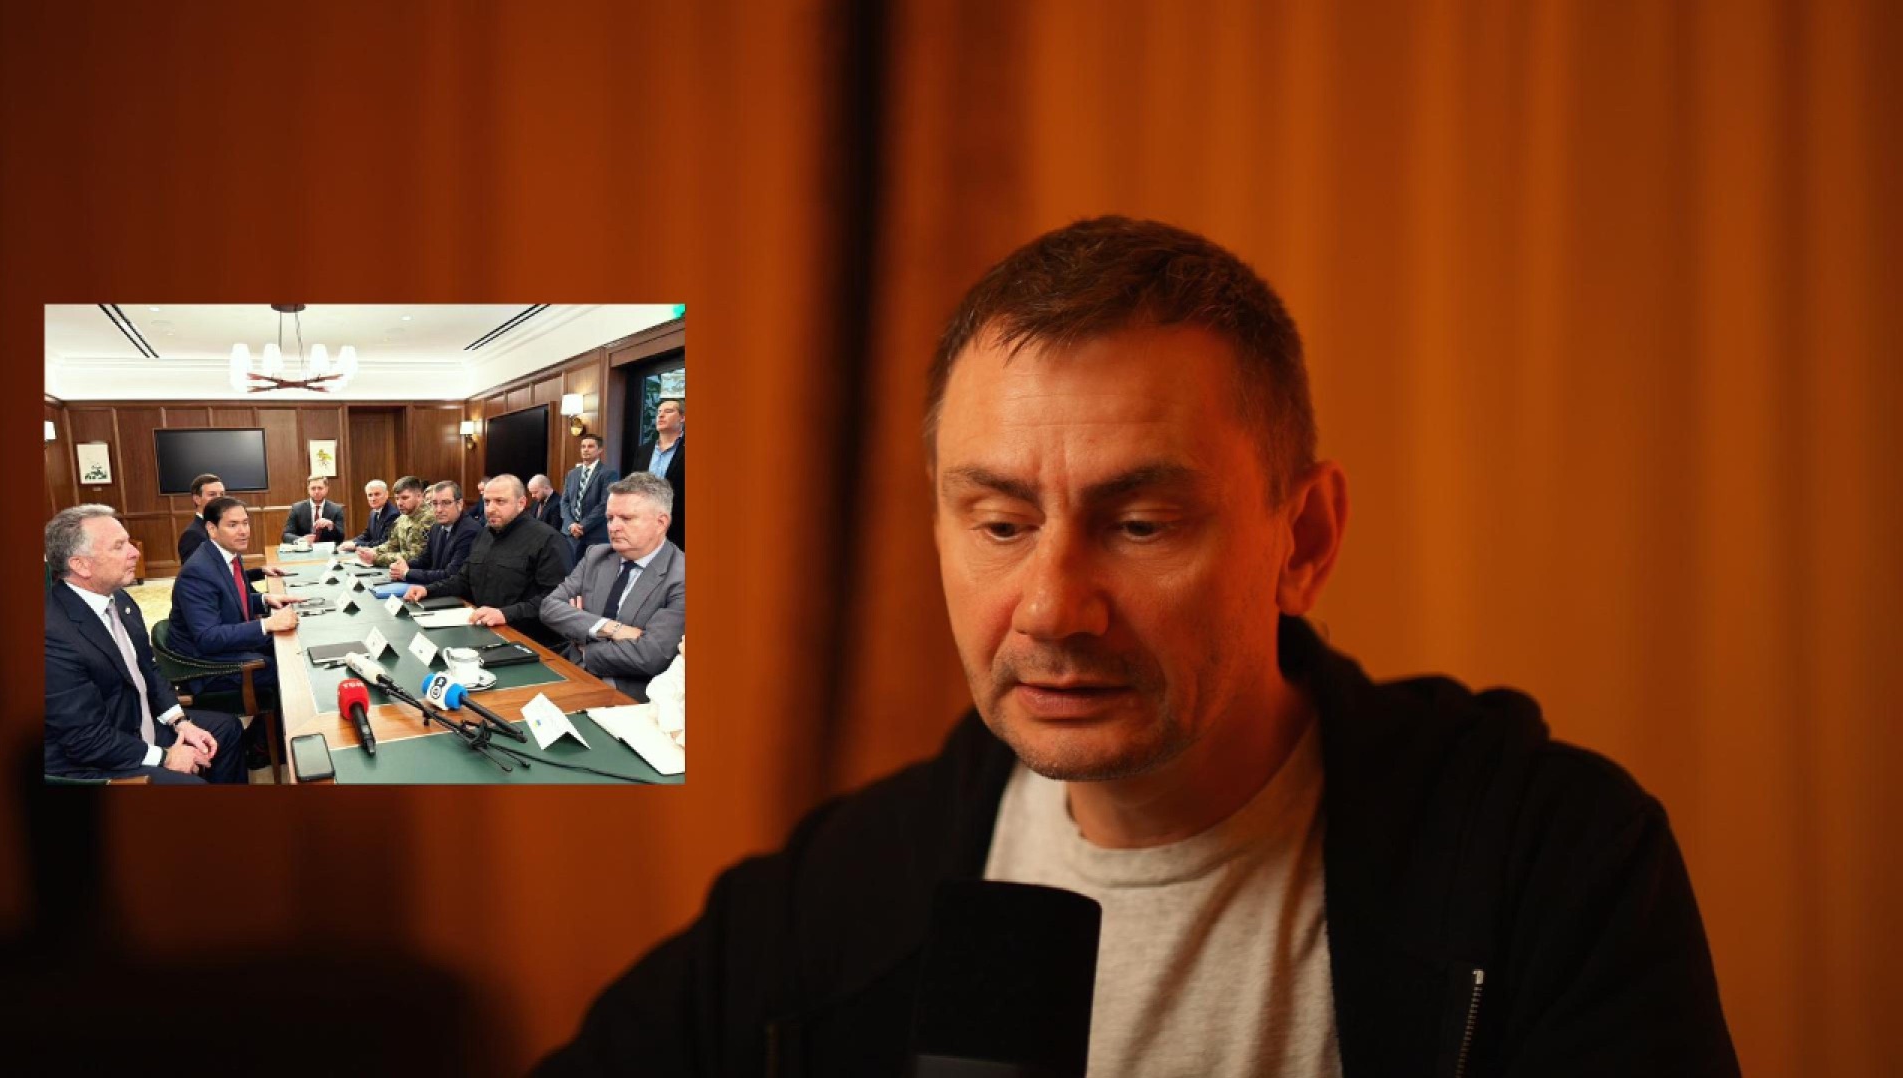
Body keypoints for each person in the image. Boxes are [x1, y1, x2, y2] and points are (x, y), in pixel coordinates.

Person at [540, 218, 1738, 1076]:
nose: (1053, 609)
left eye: (1143, 524)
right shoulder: (839, 893)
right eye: (1001, 524)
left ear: (1304, 539)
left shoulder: (1548, 867)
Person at [44, 504, 247, 784]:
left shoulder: (120, 600)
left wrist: (180, 722)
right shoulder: (52, 635)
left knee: (227, 730)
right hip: (94, 761)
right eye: (119, 546)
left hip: (138, 722)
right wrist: (165, 757)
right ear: (80, 565)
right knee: (191, 784)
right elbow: (85, 739)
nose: (135, 552)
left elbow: (148, 669)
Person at [169, 495, 304, 770]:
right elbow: (208, 637)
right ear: (211, 529)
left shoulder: (227, 555)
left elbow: (231, 601)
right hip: (204, 666)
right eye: (233, 525)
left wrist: (264, 600)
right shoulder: (198, 571)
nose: (243, 531)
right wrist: (266, 625)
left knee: (293, 649)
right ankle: (261, 747)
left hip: (221, 646)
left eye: (245, 523)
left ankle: (263, 739)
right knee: (287, 668)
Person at [539, 473, 685, 701]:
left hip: (629, 694)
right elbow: (549, 607)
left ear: (661, 523)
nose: (613, 527)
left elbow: (650, 655)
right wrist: (610, 628)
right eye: (609, 518)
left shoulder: (682, 576)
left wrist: (584, 645)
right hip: (570, 671)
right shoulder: (596, 555)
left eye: (626, 518)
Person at [404, 474, 569, 647]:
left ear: (521, 503)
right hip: (483, 630)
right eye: (487, 501)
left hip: (528, 640)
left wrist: (505, 614)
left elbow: (556, 599)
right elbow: (463, 580)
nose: (490, 509)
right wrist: (427, 590)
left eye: (500, 501)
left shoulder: (548, 540)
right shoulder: (484, 535)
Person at [391, 480, 481, 588]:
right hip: (436, 588)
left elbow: (451, 575)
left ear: (459, 504)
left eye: (446, 503)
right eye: (434, 503)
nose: (438, 510)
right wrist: (403, 566)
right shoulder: (436, 527)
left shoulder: (469, 531)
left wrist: (407, 573)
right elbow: (425, 560)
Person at [631, 398, 686, 551]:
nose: (661, 415)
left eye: (668, 411)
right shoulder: (644, 451)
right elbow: (634, 486)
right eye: (659, 412)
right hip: (644, 524)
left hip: (679, 527)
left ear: (682, 418)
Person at [560, 435, 619, 560]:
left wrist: (582, 526)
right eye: (583, 446)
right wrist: (571, 524)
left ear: (600, 450)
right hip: (570, 534)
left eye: (590, 446)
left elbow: (605, 504)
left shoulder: (608, 473)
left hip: (594, 535)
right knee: (570, 570)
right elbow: (564, 502)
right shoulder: (572, 474)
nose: (585, 449)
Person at [356, 476, 434, 570]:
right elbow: (392, 545)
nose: (399, 503)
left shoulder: (429, 518)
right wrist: (373, 551)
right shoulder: (402, 518)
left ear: (419, 496)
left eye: (404, 498)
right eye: (397, 498)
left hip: (421, 572)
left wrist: (377, 558)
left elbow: (415, 556)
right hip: (402, 570)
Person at [280, 474, 347, 545]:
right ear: (308, 490)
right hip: (304, 549)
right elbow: (286, 535)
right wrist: (301, 540)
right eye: (313, 488)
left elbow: (341, 538)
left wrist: (331, 526)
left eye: (320, 488)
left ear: (326, 489)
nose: (316, 491)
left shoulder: (336, 509)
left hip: (327, 549)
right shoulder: (297, 508)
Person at [339, 479, 399, 551]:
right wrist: (351, 542)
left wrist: (356, 545)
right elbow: (367, 534)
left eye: (377, 494)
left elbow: (384, 543)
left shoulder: (393, 514)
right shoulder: (373, 512)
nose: (373, 499)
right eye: (370, 495)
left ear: (386, 494)